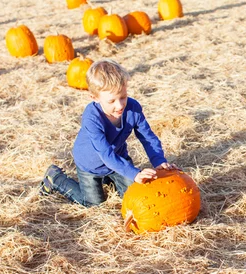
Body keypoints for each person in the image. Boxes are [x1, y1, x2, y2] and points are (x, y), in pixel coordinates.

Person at [39, 59, 177, 207]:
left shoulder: (133, 108)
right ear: (95, 98)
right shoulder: (92, 117)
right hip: (90, 165)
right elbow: (105, 154)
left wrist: (159, 161)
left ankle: (109, 179)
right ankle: (56, 178)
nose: (119, 105)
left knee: (134, 195)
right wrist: (134, 174)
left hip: (118, 158)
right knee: (93, 203)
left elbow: (147, 137)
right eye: (112, 101)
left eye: (123, 97)